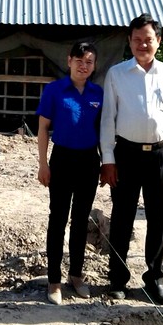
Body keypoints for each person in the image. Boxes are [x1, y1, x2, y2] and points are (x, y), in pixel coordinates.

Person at [99, 13, 163, 305]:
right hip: (126, 154)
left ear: (158, 41)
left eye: (148, 39)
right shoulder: (117, 74)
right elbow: (107, 120)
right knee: (122, 218)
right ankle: (117, 279)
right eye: (137, 39)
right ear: (129, 41)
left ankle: (155, 280)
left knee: (158, 219)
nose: (142, 44)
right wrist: (108, 160)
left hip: (161, 155)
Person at [36, 42, 104, 305]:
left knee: (80, 220)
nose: (83, 66)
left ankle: (76, 275)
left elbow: (104, 131)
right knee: (58, 218)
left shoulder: (98, 93)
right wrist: (43, 164)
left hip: (89, 161)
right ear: (69, 61)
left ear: (94, 66)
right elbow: (43, 128)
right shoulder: (54, 90)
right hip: (62, 159)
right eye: (79, 60)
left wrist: (106, 162)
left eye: (89, 62)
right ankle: (54, 280)